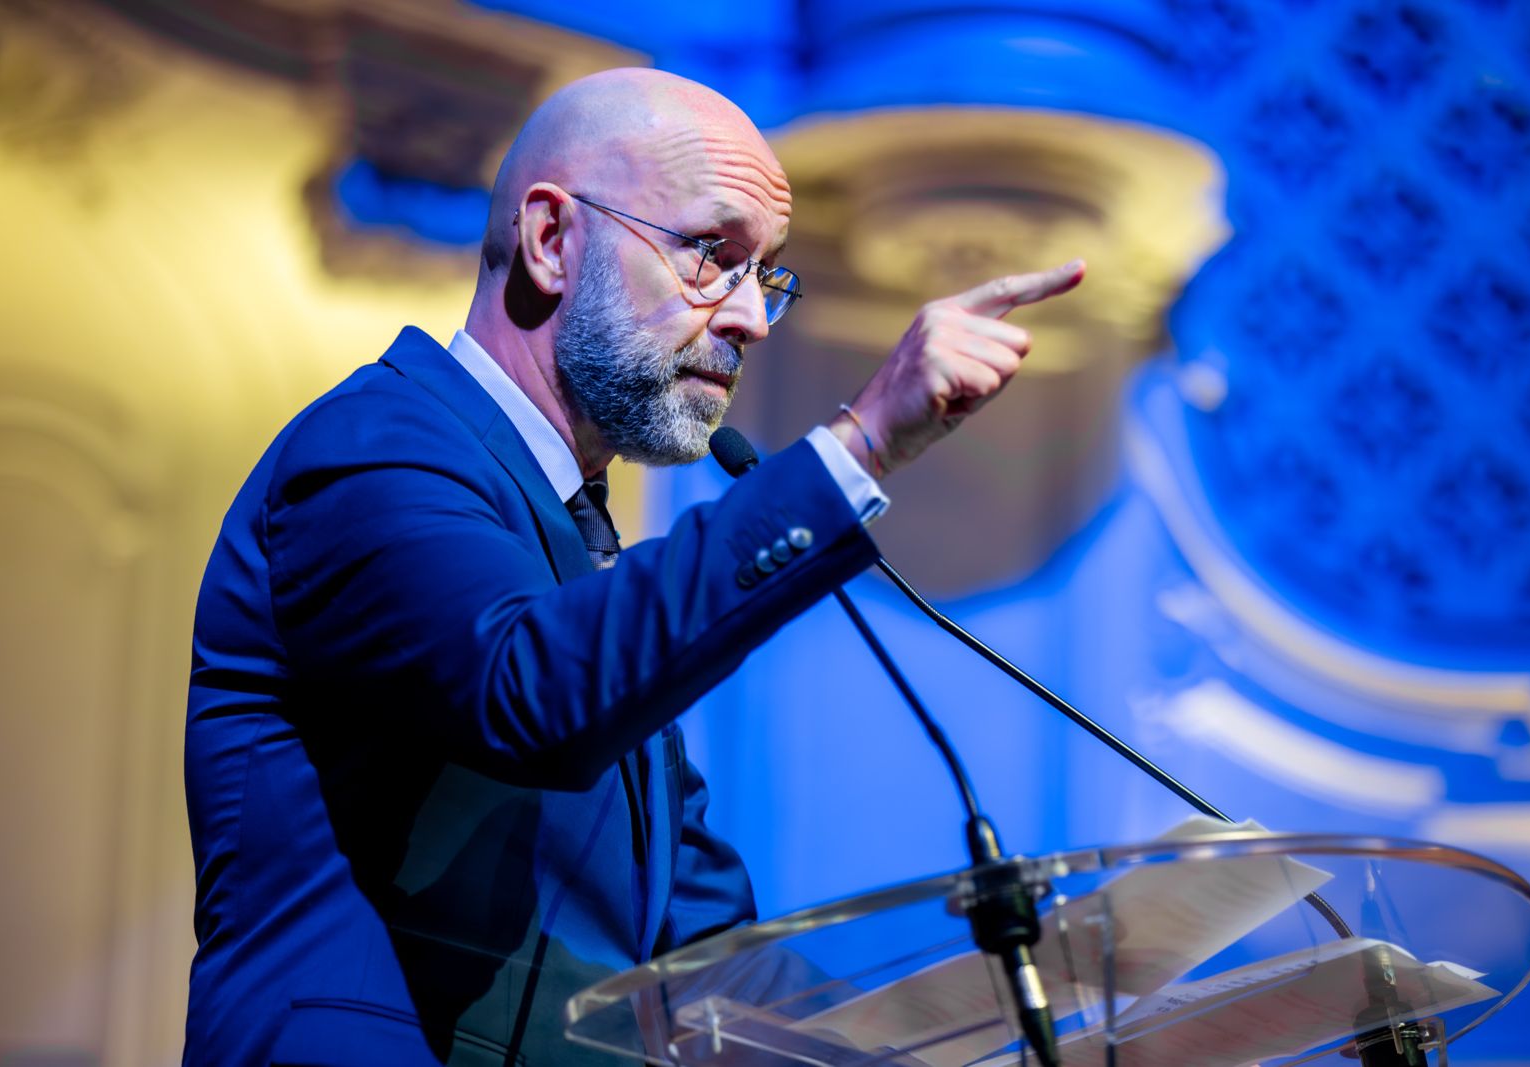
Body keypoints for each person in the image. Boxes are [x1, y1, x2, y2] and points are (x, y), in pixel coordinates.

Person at [182, 67, 1084, 1065]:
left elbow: (713, 965)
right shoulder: (377, 446)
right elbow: (526, 689)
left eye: (763, 273)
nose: (748, 317)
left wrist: (1037, 1028)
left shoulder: (585, 555)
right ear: (552, 240)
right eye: (711, 254)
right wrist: (857, 446)